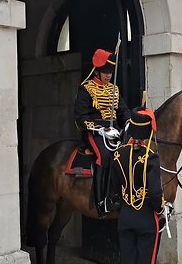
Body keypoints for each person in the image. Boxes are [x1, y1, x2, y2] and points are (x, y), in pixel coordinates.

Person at [111, 107, 172, 264]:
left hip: (125, 217)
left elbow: (115, 187)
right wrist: (161, 210)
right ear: (147, 135)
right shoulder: (151, 158)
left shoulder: (118, 154)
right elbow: (155, 192)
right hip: (146, 218)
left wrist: (123, 207)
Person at [74, 48, 130, 217]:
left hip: (115, 130)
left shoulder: (114, 89)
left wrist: (128, 122)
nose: (108, 76)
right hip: (95, 131)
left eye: (110, 73)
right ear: (97, 71)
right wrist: (100, 129)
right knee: (105, 155)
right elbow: (80, 117)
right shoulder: (86, 89)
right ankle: (102, 201)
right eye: (105, 72)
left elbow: (123, 111)